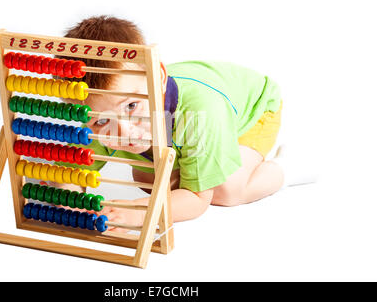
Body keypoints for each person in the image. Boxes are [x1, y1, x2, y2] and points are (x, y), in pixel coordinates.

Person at [52, 15, 311, 232]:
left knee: (226, 191)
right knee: (147, 176)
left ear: (158, 78)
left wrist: (139, 213)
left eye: (132, 106)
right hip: (179, 121)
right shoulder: (106, 110)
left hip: (252, 110)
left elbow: (198, 200)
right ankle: (187, 160)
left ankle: (288, 168)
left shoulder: (202, 114)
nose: (124, 132)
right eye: (101, 121)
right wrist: (71, 202)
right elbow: (70, 169)